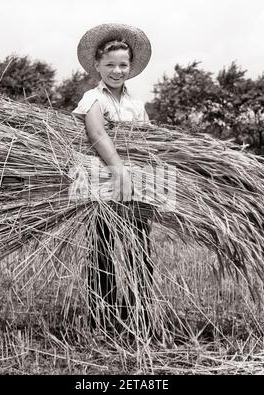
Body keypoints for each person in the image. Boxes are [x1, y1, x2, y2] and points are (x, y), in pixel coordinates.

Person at [71, 23, 153, 334]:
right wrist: (119, 169)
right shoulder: (93, 97)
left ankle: (139, 315)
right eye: (110, 65)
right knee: (102, 250)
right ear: (97, 66)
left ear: (131, 67)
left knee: (139, 251)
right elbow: (97, 134)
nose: (117, 71)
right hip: (101, 184)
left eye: (123, 65)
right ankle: (102, 319)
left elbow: (147, 141)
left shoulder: (136, 104)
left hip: (137, 188)